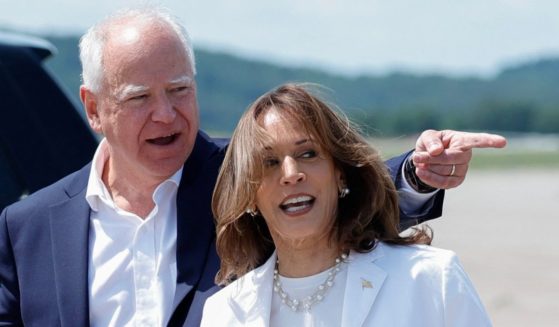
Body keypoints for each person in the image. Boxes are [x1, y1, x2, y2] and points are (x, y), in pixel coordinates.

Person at [0, 7, 504, 327]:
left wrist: (419, 172)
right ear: (93, 108)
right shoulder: (27, 229)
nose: (166, 114)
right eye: (140, 98)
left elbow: (332, 184)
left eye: (179, 90)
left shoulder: (243, 175)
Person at [202, 83, 493, 326]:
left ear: (340, 173)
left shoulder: (431, 279)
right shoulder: (224, 314)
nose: (291, 174)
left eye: (307, 154)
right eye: (269, 162)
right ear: (249, 194)